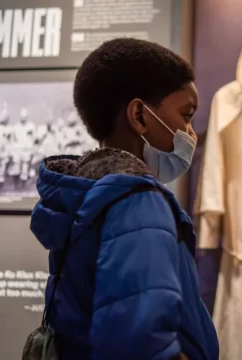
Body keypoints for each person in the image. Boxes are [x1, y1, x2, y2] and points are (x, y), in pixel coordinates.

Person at [29, 38, 219, 360]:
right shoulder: (139, 202)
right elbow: (139, 341)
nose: (191, 133)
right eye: (186, 115)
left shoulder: (87, 191)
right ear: (139, 116)